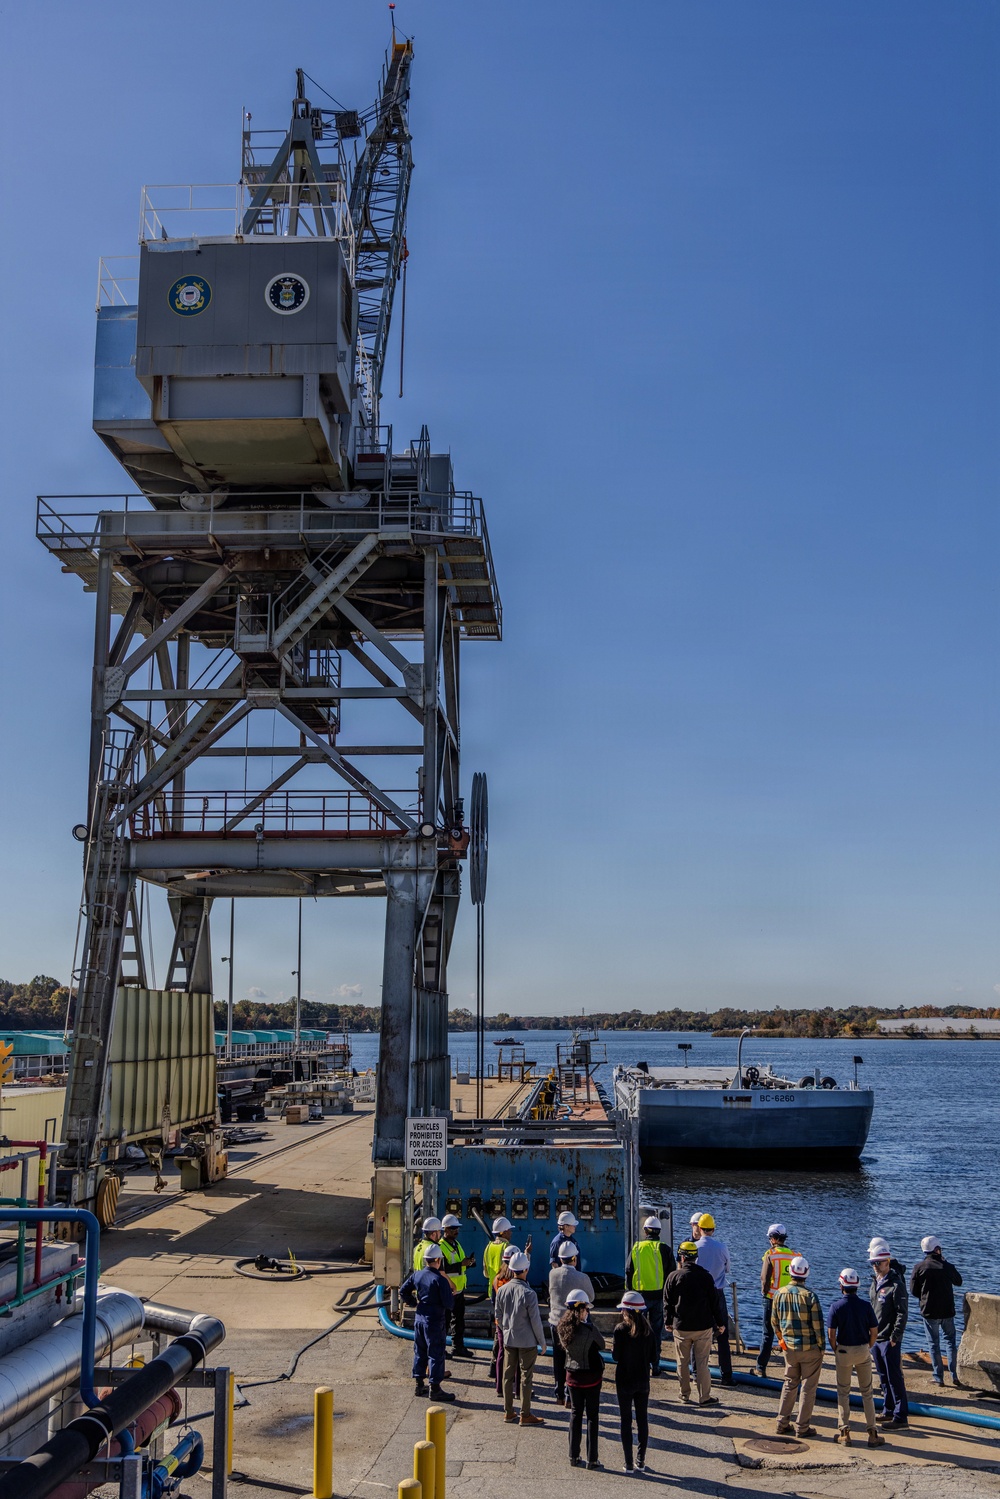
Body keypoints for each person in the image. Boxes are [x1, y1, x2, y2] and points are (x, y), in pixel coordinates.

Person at [827, 1268, 884, 1448]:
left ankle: (845, 1432)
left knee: (843, 1392)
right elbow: (874, 1331)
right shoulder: (866, 1306)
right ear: (857, 1286)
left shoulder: (836, 1307)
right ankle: (873, 1433)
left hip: (843, 1351)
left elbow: (831, 1334)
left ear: (841, 1285)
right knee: (867, 1392)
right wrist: (868, 1345)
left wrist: (836, 1350)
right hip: (862, 1350)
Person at [770, 1255, 825, 1439]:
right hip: (810, 1349)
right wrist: (821, 1346)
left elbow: (774, 1322)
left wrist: (782, 1340)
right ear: (806, 1274)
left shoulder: (779, 1293)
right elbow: (818, 1326)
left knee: (789, 1383)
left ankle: (781, 1422)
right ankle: (802, 1427)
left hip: (789, 1348)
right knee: (808, 1388)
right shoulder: (810, 1297)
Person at [664, 1240, 723, 1406]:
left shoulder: (673, 1276)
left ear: (681, 1258)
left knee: (682, 1362)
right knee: (702, 1362)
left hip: (681, 1327)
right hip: (703, 1327)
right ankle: (704, 1397)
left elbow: (667, 1302)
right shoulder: (706, 1276)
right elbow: (714, 1302)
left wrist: (668, 1322)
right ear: (696, 1258)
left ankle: (684, 1395)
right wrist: (720, 1322)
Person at [494, 1251, 546, 1427]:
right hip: (527, 1342)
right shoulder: (529, 1293)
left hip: (509, 1339)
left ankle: (508, 1412)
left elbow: (498, 1316)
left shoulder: (502, 1290)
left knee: (508, 1376)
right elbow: (536, 1321)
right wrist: (543, 1342)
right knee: (526, 1377)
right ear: (526, 1269)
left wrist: (506, 1330)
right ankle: (525, 1413)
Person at [399, 1244, 456, 1402]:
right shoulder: (440, 1280)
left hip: (420, 1319)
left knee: (420, 1351)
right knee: (436, 1353)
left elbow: (403, 1291)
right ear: (438, 1260)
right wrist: (451, 1295)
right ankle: (435, 1389)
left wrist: (414, 1303)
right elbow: (449, 1303)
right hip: (434, 1321)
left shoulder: (417, 1275)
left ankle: (419, 1384)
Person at [559, 1287, 606, 1469]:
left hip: (572, 1377)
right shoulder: (590, 1330)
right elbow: (601, 1345)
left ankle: (573, 1455)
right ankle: (592, 1458)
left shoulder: (562, 1328)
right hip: (591, 1378)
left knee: (575, 1415)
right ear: (581, 1310)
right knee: (592, 1417)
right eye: (586, 1309)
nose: (588, 1312)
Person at [626, 1215, 675, 1378]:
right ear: (659, 1231)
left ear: (645, 1230)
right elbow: (671, 1275)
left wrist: (629, 1293)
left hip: (639, 1297)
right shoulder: (665, 1249)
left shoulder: (636, 1247)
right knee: (656, 1332)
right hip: (659, 1296)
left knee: (638, 1330)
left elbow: (628, 1271)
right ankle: (656, 1365)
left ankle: (640, 1364)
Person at [910, 1235, 963, 1387]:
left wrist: (924, 1297)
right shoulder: (947, 1266)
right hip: (947, 1311)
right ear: (938, 1249)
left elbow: (913, 1290)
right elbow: (959, 1281)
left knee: (934, 1344)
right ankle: (954, 1375)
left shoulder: (919, 1267)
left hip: (929, 1311)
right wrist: (945, 1262)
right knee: (950, 1342)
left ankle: (938, 1377)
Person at [868, 1238, 909, 1427]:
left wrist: (895, 1337)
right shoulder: (875, 1283)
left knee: (894, 1379)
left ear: (888, 1262)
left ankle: (900, 1417)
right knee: (883, 1377)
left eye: (879, 1263)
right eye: (873, 1263)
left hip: (889, 1339)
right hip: (876, 1338)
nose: (876, 1266)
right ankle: (888, 1409)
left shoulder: (896, 1285)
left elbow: (902, 1313)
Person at [549, 1240, 595, 1406]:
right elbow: (591, 1297)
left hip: (555, 1322)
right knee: (572, 1359)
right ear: (574, 1259)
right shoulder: (582, 1277)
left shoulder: (552, 1274)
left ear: (561, 1259)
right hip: (575, 1323)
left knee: (558, 1359)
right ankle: (570, 1395)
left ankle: (559, 1393)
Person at [613, 1290, 654, 1474]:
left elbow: (615, 1356)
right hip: (643, 1380)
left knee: (626, 1421)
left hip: (624, 1381)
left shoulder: (620, 1330)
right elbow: (654, 1357)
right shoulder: (648, 1331)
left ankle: (628, 1462)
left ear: (627, 1312)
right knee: (642, 1419)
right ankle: (641, 1460)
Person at [755, 1222, 799, 1377]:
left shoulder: (770, 1255)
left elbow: (764, 1278)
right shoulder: (795, 1255)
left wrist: (765, 1292)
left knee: (768, 1334)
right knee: (789, 1334)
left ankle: (760, 1368)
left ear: (773, 1239)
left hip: (772, 1299)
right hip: (790, 1300)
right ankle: (792, 1370)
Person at [695, 1213, 734, 1385]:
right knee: (722, 1335)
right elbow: (727, 1269)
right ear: (713, 1229)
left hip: (699, 1295)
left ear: (700, 1228)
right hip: (717, 1294)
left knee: (698, 1335)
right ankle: (726, 1375)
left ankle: (696, 1375)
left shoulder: (694, 1247)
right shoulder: (722, 1247)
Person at [440, 1213, 476, 1358]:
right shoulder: (441, 1247)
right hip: (448, 1290)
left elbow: (462, 1264)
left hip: (459, 1290)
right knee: (445, 1321)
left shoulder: (457, 1244)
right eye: (453, 1228)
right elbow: (443, 1269)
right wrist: (461, 1264)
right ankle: (441, 1349)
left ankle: (458, 1347)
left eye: (457, 1228)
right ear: (446, 1229)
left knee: (459, 1321)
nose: (457, 1231)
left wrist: (470, 1263)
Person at [484, 1216, 514, 1380]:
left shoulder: (488, 1247)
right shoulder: (506, 1247)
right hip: (505, 1290)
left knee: (498, 1327)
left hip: (493, 1291)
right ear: (503, 1231)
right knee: (502, 1330)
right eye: (509, 1230)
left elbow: (486, 1272)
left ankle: (495, 1363)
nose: (510, 1233)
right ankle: (496, 1363)